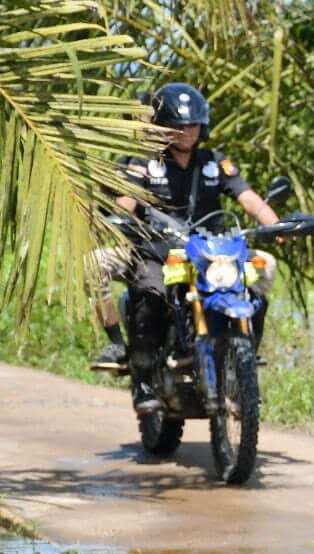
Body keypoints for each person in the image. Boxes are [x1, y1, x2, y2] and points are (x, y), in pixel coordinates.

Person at [91, 83, 283, 417]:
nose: (186, 131)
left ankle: (245, 355)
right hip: (158, 251)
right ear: (163, 125)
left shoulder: (214, 163)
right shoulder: (145, 163)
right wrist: (117, 219)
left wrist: (275, 225)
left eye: (192, 124)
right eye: (178, 125)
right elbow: (128, 199)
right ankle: (142, 379)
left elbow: (248, 198)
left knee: (263, 272)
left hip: (211, 252)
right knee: (149, 292)